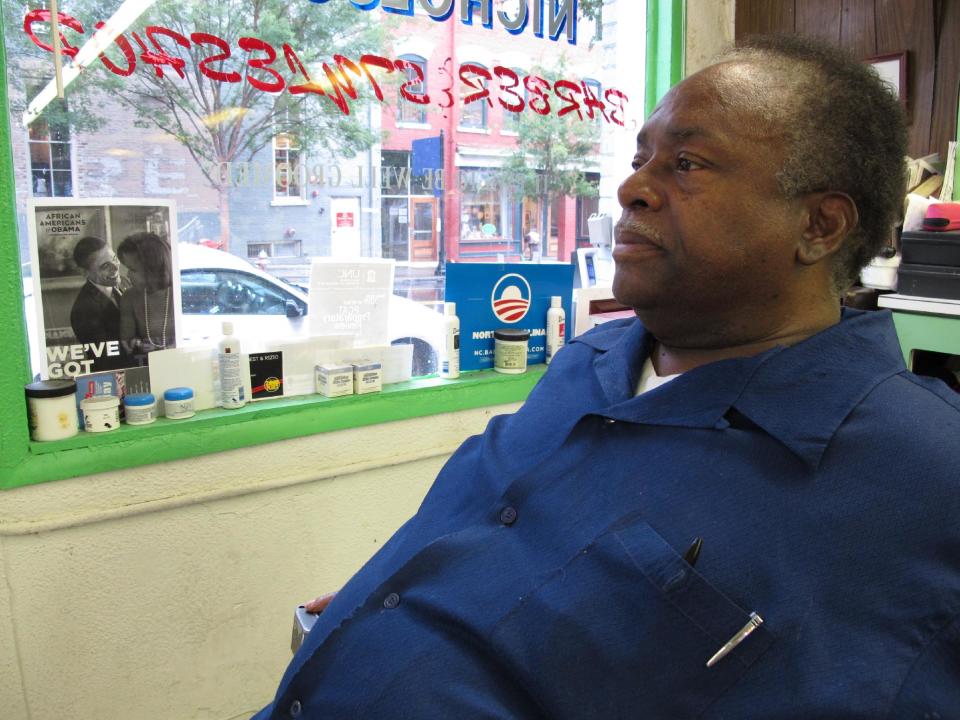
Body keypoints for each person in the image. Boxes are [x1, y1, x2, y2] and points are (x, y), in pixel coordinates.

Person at [253, 35, 960, 719]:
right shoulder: (587, 364)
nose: (630, 188)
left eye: (687, 163)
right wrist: (385, 597)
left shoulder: (918, 473)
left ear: (821, 225)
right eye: (640, 157)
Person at [69, 235, 131, 370]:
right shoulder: (84, 310)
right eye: (105, 266)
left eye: (114, 258)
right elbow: (107, 360)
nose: (115, 268)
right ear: (84, 272)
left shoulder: (124, 282)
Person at [117, 232, 175, 364]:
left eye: (133, 269)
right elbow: (127, 342)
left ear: (152, 269)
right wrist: (138, 344)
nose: (127, 274)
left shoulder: (178, 293)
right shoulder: (129, 297)